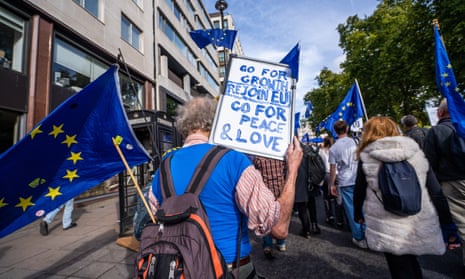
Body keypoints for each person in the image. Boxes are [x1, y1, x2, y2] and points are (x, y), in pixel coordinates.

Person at [148, 96, 303, 278]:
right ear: (218, 122)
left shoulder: (163, 169)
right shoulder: (234, 161)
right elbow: (278, 228)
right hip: (228, 269)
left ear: (183, 126)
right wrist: (292, 171)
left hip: (179, 270)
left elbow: (156, 221)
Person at [354, 116, 461, 279]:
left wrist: (357, 214)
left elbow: (359, 191)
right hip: (415, 214)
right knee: (412, 261)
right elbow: (435, 191)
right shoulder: (415, 153)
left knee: (398, 266)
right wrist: (448, 223)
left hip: (386, 219)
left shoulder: (367, 158)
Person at [423, 98, 465, 272]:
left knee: (462, 224)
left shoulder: (436, 131)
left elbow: (428, 164)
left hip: (451, 182)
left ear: (439, 113)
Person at [329, 120, 367, 249]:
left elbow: (333, 169)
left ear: (335, 131)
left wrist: (331, 184)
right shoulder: (356, 142)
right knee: (364, 207)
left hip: (345, 181)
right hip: (360, 178)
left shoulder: (333, 148)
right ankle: (367, 233)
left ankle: (359, 237)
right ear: (347, 129)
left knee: (351, 210)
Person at [253, 156, 287, 259]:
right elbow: (286, 171)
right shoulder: (280, 157)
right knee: (279, 217)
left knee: (265, 219)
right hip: (279, 191)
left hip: (265, 193)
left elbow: (255, 173)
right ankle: (281, 243)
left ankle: (267, 245)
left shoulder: (259, 159)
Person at [295, 143, 321, 238]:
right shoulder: (308, 148)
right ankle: (314, 225)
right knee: (311, 204)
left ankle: (306, 230)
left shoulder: (293, 150)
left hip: (300, 181)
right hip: (311, 180)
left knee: (302, 207)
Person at [319, 136, 344, 227]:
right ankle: (340, 219)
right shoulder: (337, 150)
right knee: (338, 197)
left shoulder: (321, 151)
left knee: (327, 197)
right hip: (338, 174)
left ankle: (330, 216)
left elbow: (320, 165)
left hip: (327, 174)